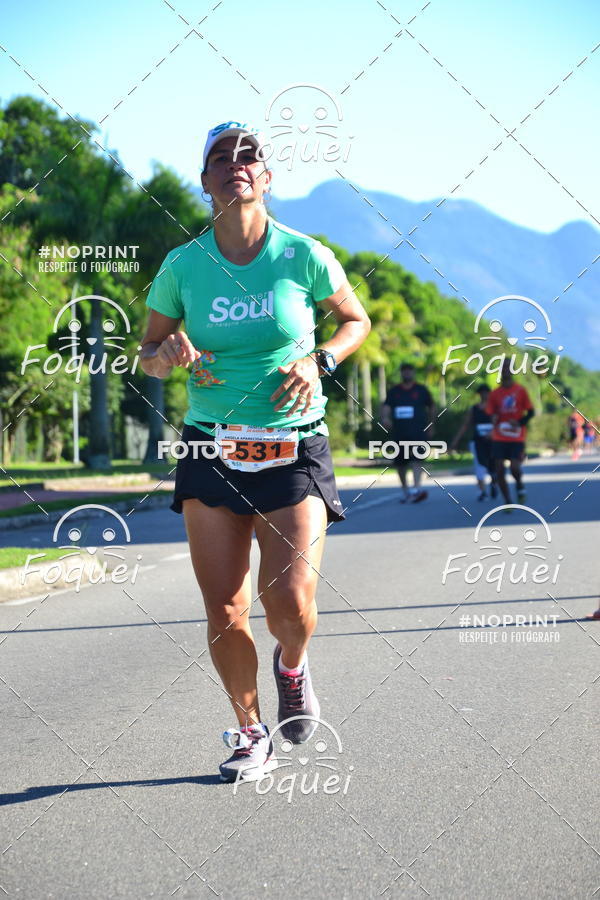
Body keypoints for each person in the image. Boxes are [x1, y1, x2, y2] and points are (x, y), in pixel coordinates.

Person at [139, 121, 370, 783]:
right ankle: (250, 733)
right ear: (205, 180)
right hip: (212, 448)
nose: (236, 163)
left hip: (293, 446)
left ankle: (292, 668)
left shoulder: (304, 255)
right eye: (222, 156)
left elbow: (355, 321)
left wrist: (320, 360)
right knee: (225, 609)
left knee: (290, 604)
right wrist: (167, 354)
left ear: (266, 176)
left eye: (249, 155)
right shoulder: (182, 266)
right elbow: (148, 355)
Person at [381, 363, 435, 503]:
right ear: (401, 373)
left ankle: (416, 489)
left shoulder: (421, 390)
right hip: (400, 432)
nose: (407, 373)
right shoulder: (394, 391)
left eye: (409, 371)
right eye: (404, 371)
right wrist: (385, 418)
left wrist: (431, 425)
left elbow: (431, 407)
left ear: (413, 372)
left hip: (418, 431)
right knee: (400, 463)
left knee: (417, 459)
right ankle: (405, 491)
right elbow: (386, 406)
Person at [486, 361, 534, 506]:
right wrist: (493, 418)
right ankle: (507, 501)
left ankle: (519, 483)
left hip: (516, 436)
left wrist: (519, 422)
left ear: (513, 371)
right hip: (499, 436)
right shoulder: (495, 393)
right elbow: (491, 412)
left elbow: (530, 412)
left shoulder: (520, 390)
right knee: (499, 469)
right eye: (503, 368)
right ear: (500, 371)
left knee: (514, 468)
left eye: (508, 368)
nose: (506, 370)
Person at [449, 384, 496, 501]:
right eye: (482, 392)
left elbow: (497, 423)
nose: (484, 395)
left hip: (492, 442)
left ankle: (494, 482)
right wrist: (456, 440)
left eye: (486, 392)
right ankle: (482, 491)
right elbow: (465, 425)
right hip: (478, 442)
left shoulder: (494, 408)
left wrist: (492, 433)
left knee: (493, 465)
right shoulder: (474, 409)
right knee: (479, 466)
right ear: (479, 394)